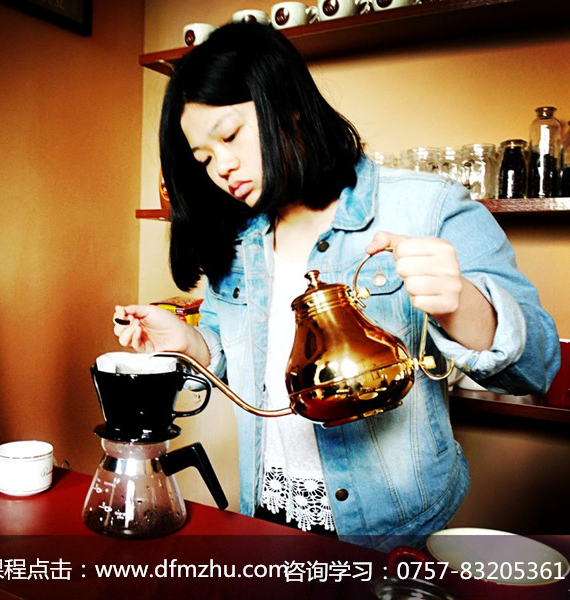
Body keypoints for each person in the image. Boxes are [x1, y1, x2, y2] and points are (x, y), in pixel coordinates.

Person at [113, 22, 559, 551]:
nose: (222, 168)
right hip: (270, 515)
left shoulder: (427, 206)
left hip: (396, 532)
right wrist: (188, 344)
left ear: (288, 105)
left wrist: (461, 304)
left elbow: (537, 367)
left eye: (229, 136)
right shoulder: (238, 238)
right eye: (204, 159)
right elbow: (232, 354)